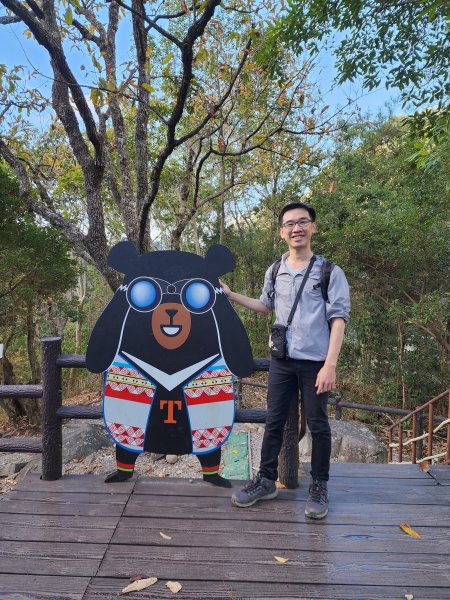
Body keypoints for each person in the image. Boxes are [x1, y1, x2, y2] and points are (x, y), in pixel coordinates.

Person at [220, 202, 350, 519]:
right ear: (282, 232)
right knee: (274, 421)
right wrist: (232, 295)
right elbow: (265, 306)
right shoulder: (275, 270)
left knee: (318, 426)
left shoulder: (329, 271)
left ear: (313, 227)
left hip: (316, 363)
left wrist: (330, 364)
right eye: (290, 224)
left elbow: (339, 319)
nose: (296, 228)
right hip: (282, 361)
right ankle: (265, 480)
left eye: (302, 222)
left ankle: (319, 486)